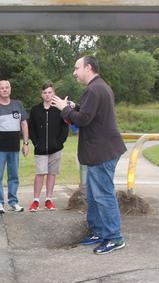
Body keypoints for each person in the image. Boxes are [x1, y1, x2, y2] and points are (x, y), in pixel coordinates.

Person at [52, 55, 127, 255]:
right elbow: (89, 114)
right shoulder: (100, 88)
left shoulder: (94, 90)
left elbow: (83, 120)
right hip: (101, 151)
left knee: (103, 196)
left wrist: (65, 109)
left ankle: (114, 237)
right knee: (94, 196)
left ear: (89, 67)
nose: (74, 72)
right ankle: (98, 232)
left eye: (77, 68)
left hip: (101, 152)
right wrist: (73, 107)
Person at [0, 80, 30, 214]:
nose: (5, 90)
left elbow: (24, 124)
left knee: (14, 176)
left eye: (7, 87)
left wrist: (26, 143)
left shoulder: (18, 104)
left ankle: (13, 202)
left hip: (14, 147)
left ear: (10, 89)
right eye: (2, 88)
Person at [27, 83, 69, 212]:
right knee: (40, 173)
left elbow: (65, 127)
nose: (47, 95)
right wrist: (36, 142)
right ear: (41, 94)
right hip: (40, 149)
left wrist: (59, 142)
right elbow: (31, 128)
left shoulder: (59, 109)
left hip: (55, 148)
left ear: (53, 93)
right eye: (45, 92)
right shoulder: (35, 110)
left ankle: (49, 199)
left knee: (52, 174)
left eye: (50, 92)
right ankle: (36, 200)